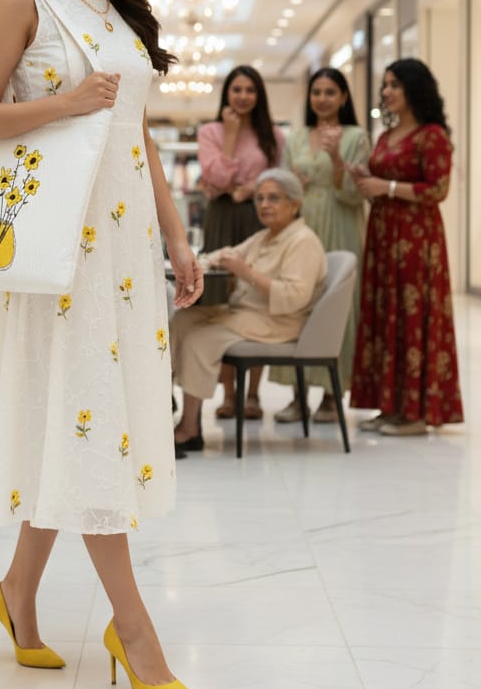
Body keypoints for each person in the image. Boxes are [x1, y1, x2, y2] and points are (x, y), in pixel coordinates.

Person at [0, 0, 203, 689]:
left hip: (124, 250)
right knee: (89, 421)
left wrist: (176, 238)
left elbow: (137, 136)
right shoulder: (24, 1)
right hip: (57, 247)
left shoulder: (125, 13)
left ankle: (16, 592)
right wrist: (65, 103)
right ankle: (134, 631)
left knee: (84, 416)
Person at [171, 169, 327, 443]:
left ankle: (190, 428)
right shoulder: (264, 236)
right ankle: (161, 400)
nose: (264, 205)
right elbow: (226, 255)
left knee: (199, 339)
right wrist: (196, 263)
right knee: (182, 319)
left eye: (274, 198)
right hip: (245, 313)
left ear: (295, 204)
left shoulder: (303, 242)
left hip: (278, 322)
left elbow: (294, 297)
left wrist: (246, 273)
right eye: (260, 198)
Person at [350, 59, 463, 435]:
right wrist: (367, 181)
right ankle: (390, 405)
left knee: (412, 316)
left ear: (415, 88)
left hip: (417, 239)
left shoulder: (432, 136)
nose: (386, 92)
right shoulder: (386, 136)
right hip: (383, 234)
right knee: (386, 315)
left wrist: (387, 187)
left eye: (395, 84)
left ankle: (414, 413)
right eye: (385, 85)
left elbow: (438, 190)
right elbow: (382, 188)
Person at [271, 68, 369, 424]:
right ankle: (297, 395)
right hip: (302, 227)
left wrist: (337, 161)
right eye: (317, 92)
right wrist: (290, 186)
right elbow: (281, 184)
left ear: (344, 97)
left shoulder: (357, 137)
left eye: (330, 92)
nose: (322, 99)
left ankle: (332, 393)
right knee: (299, 304)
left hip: (341, 224)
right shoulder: (297, 137)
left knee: (336, 306)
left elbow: (357, 193)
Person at [191, 65, 285, 430]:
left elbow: (279, 178)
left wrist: (253, 189)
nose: (243, 96)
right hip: (222, 217)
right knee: (220, 302)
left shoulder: (273, 135)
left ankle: (254, 395)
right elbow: (215, 177)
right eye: (237, 89)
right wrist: (230, 136)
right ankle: (229, 395)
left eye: (250, 90)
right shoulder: (211, 132)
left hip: (260, 218)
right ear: (226, 94)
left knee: (255, 300)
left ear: (259, 95)